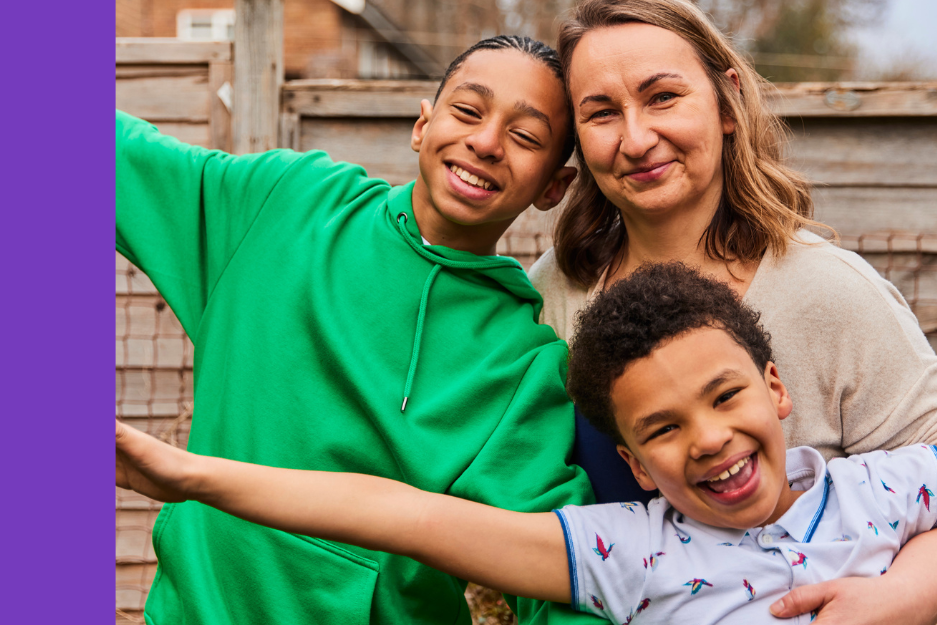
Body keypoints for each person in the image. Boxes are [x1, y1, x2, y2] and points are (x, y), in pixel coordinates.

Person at [114, 263, 937, 625]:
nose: (708, 439)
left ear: (777, 391)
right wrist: (189, 474)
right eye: (661, 428)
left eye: (726, 395)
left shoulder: (879, 491)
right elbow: (401, 512)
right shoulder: (626, 549)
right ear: (637, 462)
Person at [527, 1, 937, 620]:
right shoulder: (552, 295)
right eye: (602, 113)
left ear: (726, 101)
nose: (636, 139)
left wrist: (898, 601)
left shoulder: (831, 292)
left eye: (663, 96)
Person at [115, 35, 605, 625]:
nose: (485, 142)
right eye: (467, 112)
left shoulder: (519, 367)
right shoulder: (284, 205)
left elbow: (565, 574)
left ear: (554, 187)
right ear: (423, 125)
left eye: (525, 137)